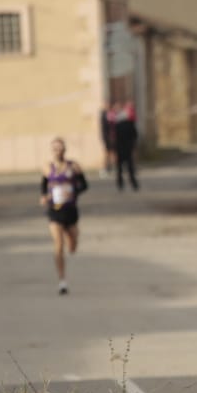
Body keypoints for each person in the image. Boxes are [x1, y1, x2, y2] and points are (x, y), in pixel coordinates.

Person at [40, 137, 89, 295]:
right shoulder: (47, 168)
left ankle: (72, 239)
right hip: (54, 210)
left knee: (72, 246)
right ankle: (62, 280)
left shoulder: (73, 166)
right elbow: (43, 187)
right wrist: (44, 196)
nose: (58, 151)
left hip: (70, 209)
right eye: (55, 148)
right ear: (52, 150)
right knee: (58, 244)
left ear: (64, 150)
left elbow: (84, 185)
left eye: (60, 148)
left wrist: (73, 191)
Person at [112, 101, 139, 191]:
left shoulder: (117, 124)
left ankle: (120, 184)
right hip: (127, 148)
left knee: (120, 167)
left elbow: (115, 138)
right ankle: (133, 183)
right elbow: (134, 135)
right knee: (129, 167)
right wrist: (133, 146)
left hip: (121, 148)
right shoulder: (129, 123)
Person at [99, 106, 118, 178]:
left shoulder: (113, 114)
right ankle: (105, 169)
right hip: (108, 138)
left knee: (114, 153)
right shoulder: (105, 115)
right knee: (107, 154)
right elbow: (104, 128)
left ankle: (114, 168)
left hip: (113, 138)